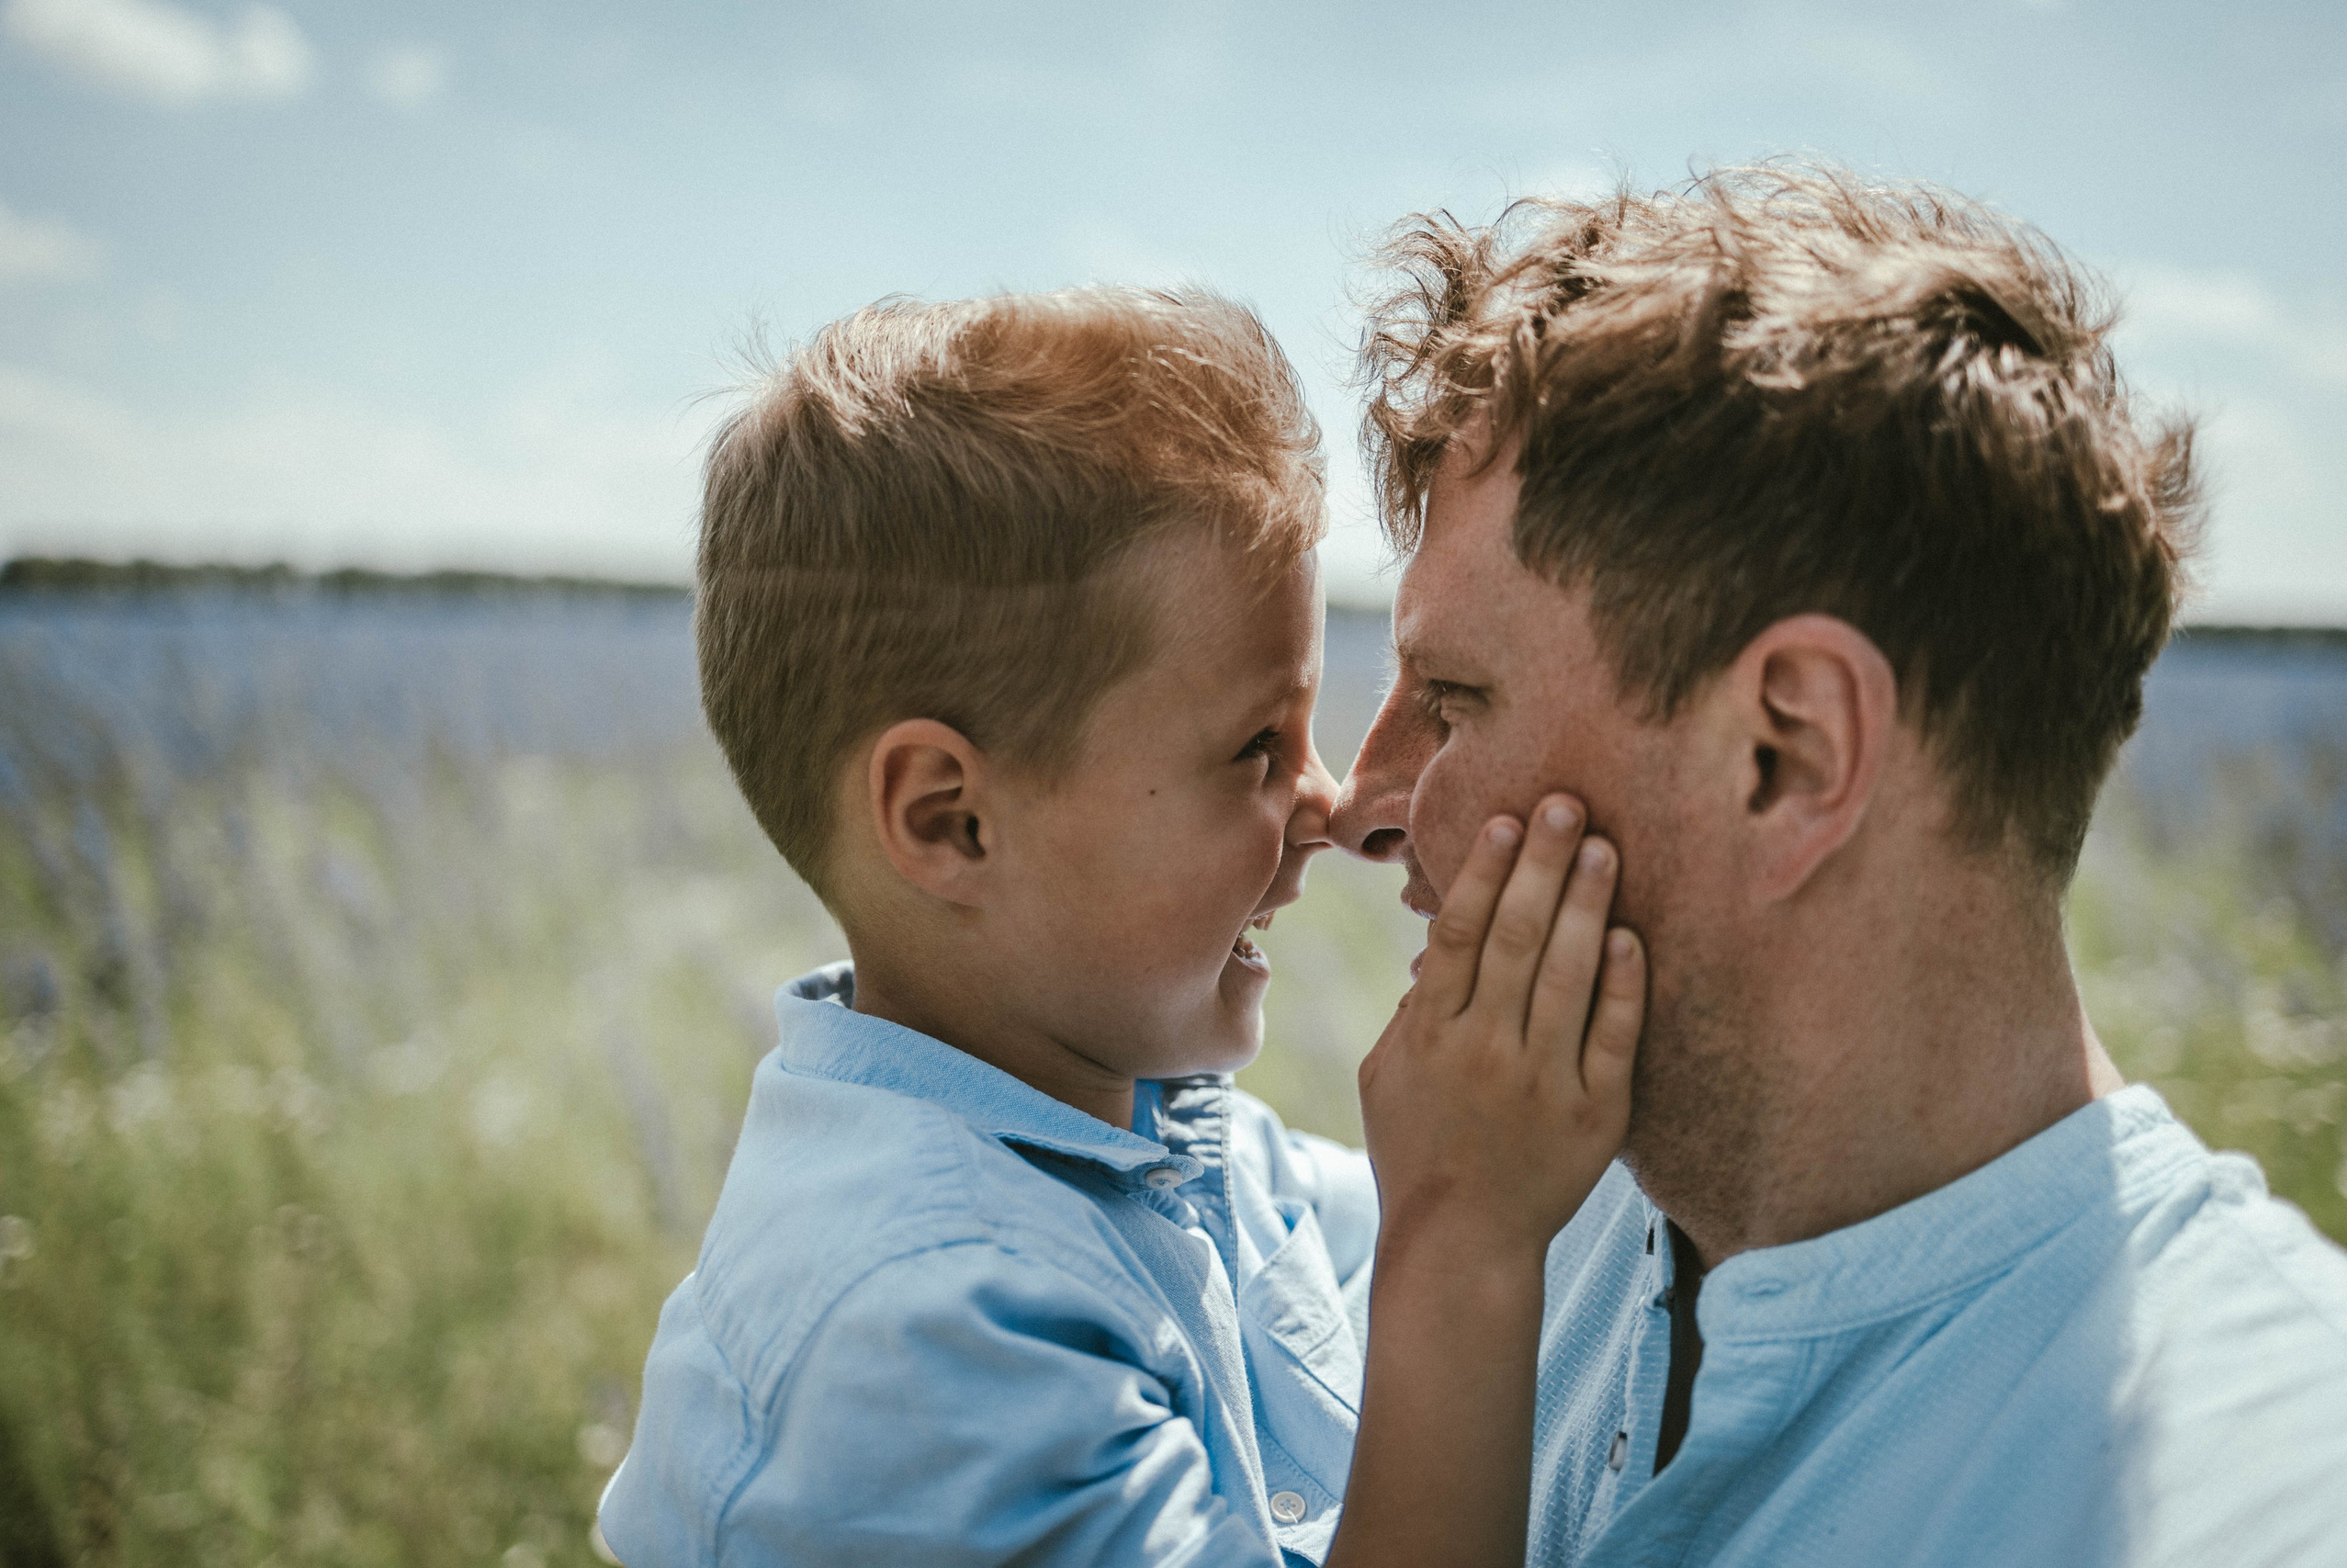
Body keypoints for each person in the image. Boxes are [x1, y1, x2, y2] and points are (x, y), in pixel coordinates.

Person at [1330, 164, 2347, 1567]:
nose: (1363, 805)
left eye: (1452, 699)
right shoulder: (1515, 1207)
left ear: (1789, 754)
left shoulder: (2275, 1496)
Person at [597, 286, 1649, 1568]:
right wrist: (1465, 1243)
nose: (1325, 806)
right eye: (1256, 746)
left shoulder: (1169, 1135)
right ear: (950, 823)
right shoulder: (925, 1337)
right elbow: (1460, 1237)